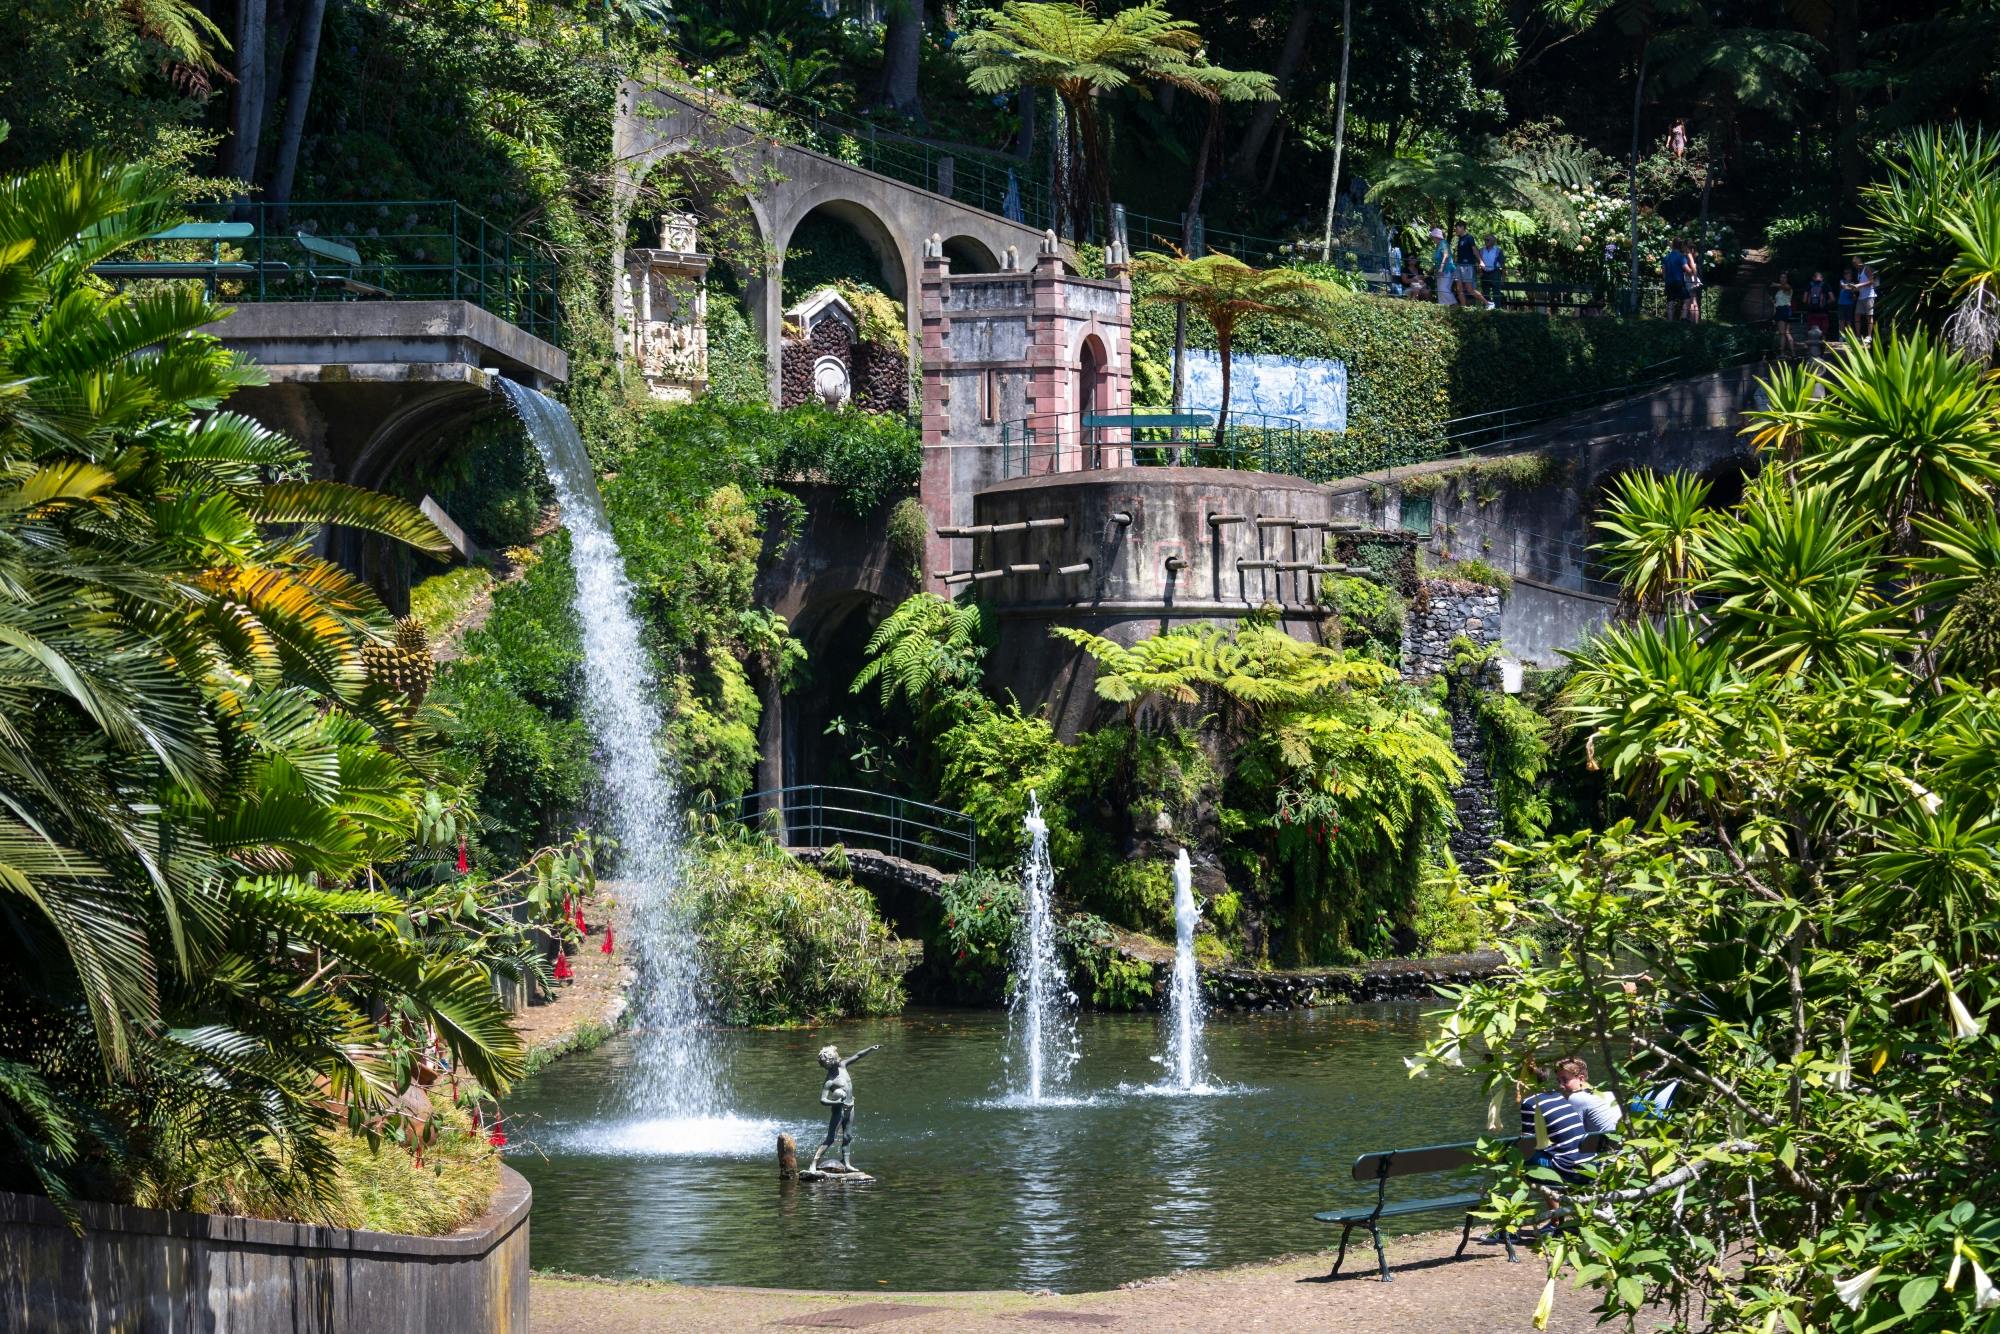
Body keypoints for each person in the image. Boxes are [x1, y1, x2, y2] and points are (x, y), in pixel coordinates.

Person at [808, 1043, 880, 1173]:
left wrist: (870, 1049)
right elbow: (822, 1100)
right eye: (834, 1059)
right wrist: (836, 1102)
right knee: (831, 1138)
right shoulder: (830, 1080)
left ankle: (846, 1163)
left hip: (850, 1106)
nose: (838, 1060)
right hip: (839, 1110)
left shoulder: (842, 1066)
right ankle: (813, 1163)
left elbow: (857, 1055)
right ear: (829, 1064)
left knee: (848, 1136)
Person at [1556, 1056, 1623, 1139]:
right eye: (1559, 1081)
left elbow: (1571, 1134)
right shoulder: (1610, 1094)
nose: (1560, 1086)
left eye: (1565, 1080)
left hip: (1604, 1146)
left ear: (1581, 1079)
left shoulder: (1576, 1098)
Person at [1453, 222, 1490, 307]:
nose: (1455, 230)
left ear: (1462, 227)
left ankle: (1487, 303)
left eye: (1457, 228)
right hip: (1459, 265)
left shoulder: (1469, 238)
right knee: (1459, 288)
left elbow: (1474, 250)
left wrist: (1481, 261)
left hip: (1467, 266)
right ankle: (1463, 308)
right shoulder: (1460, 239)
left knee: (1469, 289)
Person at [1662, 238, 1690, 320]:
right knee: (1687, 299)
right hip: (1678, 282)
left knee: (1670, 301)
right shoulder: (1681, 257)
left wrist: (1666, 280)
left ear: (1673, 245)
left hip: (1669, 282)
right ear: (1680, 246)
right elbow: (1686, 269)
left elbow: (1663, 272)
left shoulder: (1666, 257)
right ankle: (1683, 318)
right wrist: (1693, 270)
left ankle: (1670, 321)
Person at [1852, 259, 1878, 341]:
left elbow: (1871, 281)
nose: (1854, 263)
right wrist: (1853, 288)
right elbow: (1860, 286)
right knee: (1857, 315)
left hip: (1869, 296)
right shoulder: (1858, 272)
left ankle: (1869, 336)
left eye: (1854, 261)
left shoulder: (1867, 268)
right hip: (1861, 296)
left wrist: (1859, 285)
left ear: (1859, 261)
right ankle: (1858, 336)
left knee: (1869, 316)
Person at [1430, 226, 1456, 306]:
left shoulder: (1443, 243)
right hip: (1440, 271)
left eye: (1432, 237)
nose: (1432, 239)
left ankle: (1454, 304)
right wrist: (1432, 269)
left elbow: (1446, 256)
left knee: (1443, 289)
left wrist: (1441, 269)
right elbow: (1438, 260)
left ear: (1436, 237)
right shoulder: (1438, 245)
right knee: (1440, 289)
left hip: (1447, 270)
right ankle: (1442, 306)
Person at [1802, 271, 1831, 340]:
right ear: (1822, 278)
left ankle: (1812, 346)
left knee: (1812, 333)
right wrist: (1825, 304)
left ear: (1813, 278)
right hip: (1823, 313)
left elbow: (1804, 300)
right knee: (1823, 333)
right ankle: (1823, 344)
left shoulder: (1809, 285)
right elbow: (1832, 298)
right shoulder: (1825, 285)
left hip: (1811, 313)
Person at [1479, 233, 1506, 306]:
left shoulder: (1498, 250)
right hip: (1484, 273)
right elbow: (1478, 262)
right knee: (1485, 293)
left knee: (1496, 293)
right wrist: (1480, 272)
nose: (1485, 241)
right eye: (1485, 240)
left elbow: (1503, 265)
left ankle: (1497, 309)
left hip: (1495, 273)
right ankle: (1487, 307)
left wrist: (1503, 278)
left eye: (1487, 240)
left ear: (1493, 241)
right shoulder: (1481, 250)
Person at [1771, 274, 1795, 353]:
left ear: (1787, 279)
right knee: (1786, 333)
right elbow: (1776, 302)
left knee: (1782, 334)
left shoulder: (1788, 288)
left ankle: (1782, 353)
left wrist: (1775, 284)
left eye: (1784, 277)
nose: (1782, 279)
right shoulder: (1779, 291)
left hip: (1784, 310)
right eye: (1781, 277)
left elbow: (1786, 287)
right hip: (1780, 310)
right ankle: (1793, 352)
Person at [1835, 263, 1857, 339]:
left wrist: (1853, 292)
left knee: (1849, 321)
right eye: (1846, 274)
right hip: (1841, 304)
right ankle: (1841, 336)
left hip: (1849, 304)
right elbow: (1843, 286)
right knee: (1841, 321)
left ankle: (1849, 336)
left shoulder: (1853, 283)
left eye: (1848, 273)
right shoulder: (1842, 281)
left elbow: (1854, 294)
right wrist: (1851, 288)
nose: (1847, 275)